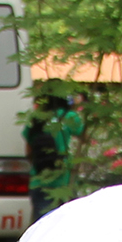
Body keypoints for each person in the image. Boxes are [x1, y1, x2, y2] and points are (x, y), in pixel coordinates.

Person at [25, 87, 85, 221]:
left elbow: (28, 150)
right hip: (64, 180)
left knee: (41, 227)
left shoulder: (36, 117)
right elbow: (83, 136)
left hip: (39, 180)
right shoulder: (69, 116)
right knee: (64, 227)